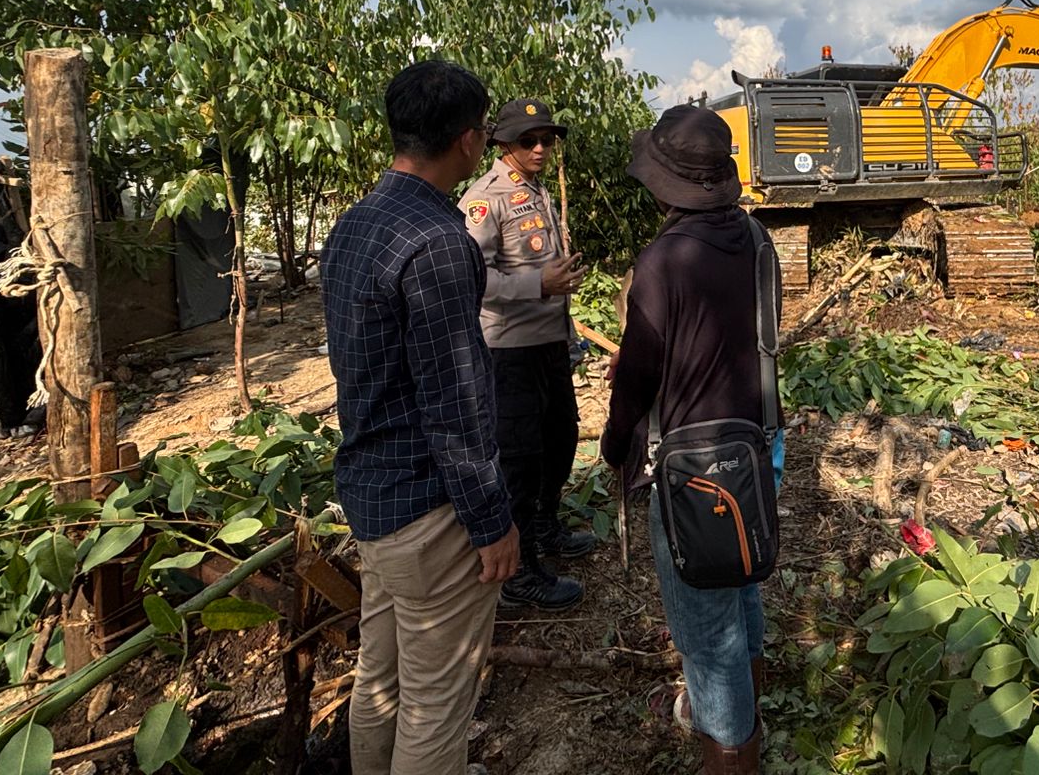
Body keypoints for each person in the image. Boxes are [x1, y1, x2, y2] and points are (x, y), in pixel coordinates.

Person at [320, 59, 520, 775]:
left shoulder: (357, 225)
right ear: (469, 141)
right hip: (430, 509)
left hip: (373, 495)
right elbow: (456, 403)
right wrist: (491, 521)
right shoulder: (438, 244)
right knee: (437, 702)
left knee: (381, 681)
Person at [600, 104, 782, 775]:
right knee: (741, 586)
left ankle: (731, 753)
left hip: (695, 468)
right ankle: (751, 708)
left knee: (707, 639)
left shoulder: (664, 260)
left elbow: (638, 382)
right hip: (759, 444)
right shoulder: (756, 240)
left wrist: (616, 446)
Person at [459, 97, 594, 612]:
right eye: (527, 140)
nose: (540, 148)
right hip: (509, 349)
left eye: (547, 139)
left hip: (550, 342)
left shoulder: (534, 190)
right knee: (519, 457)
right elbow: (475, 277)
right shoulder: (484, 200)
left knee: (561, 440)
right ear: (502, 144)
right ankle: (519, 575)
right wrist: (538, 282)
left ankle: (546, 526)